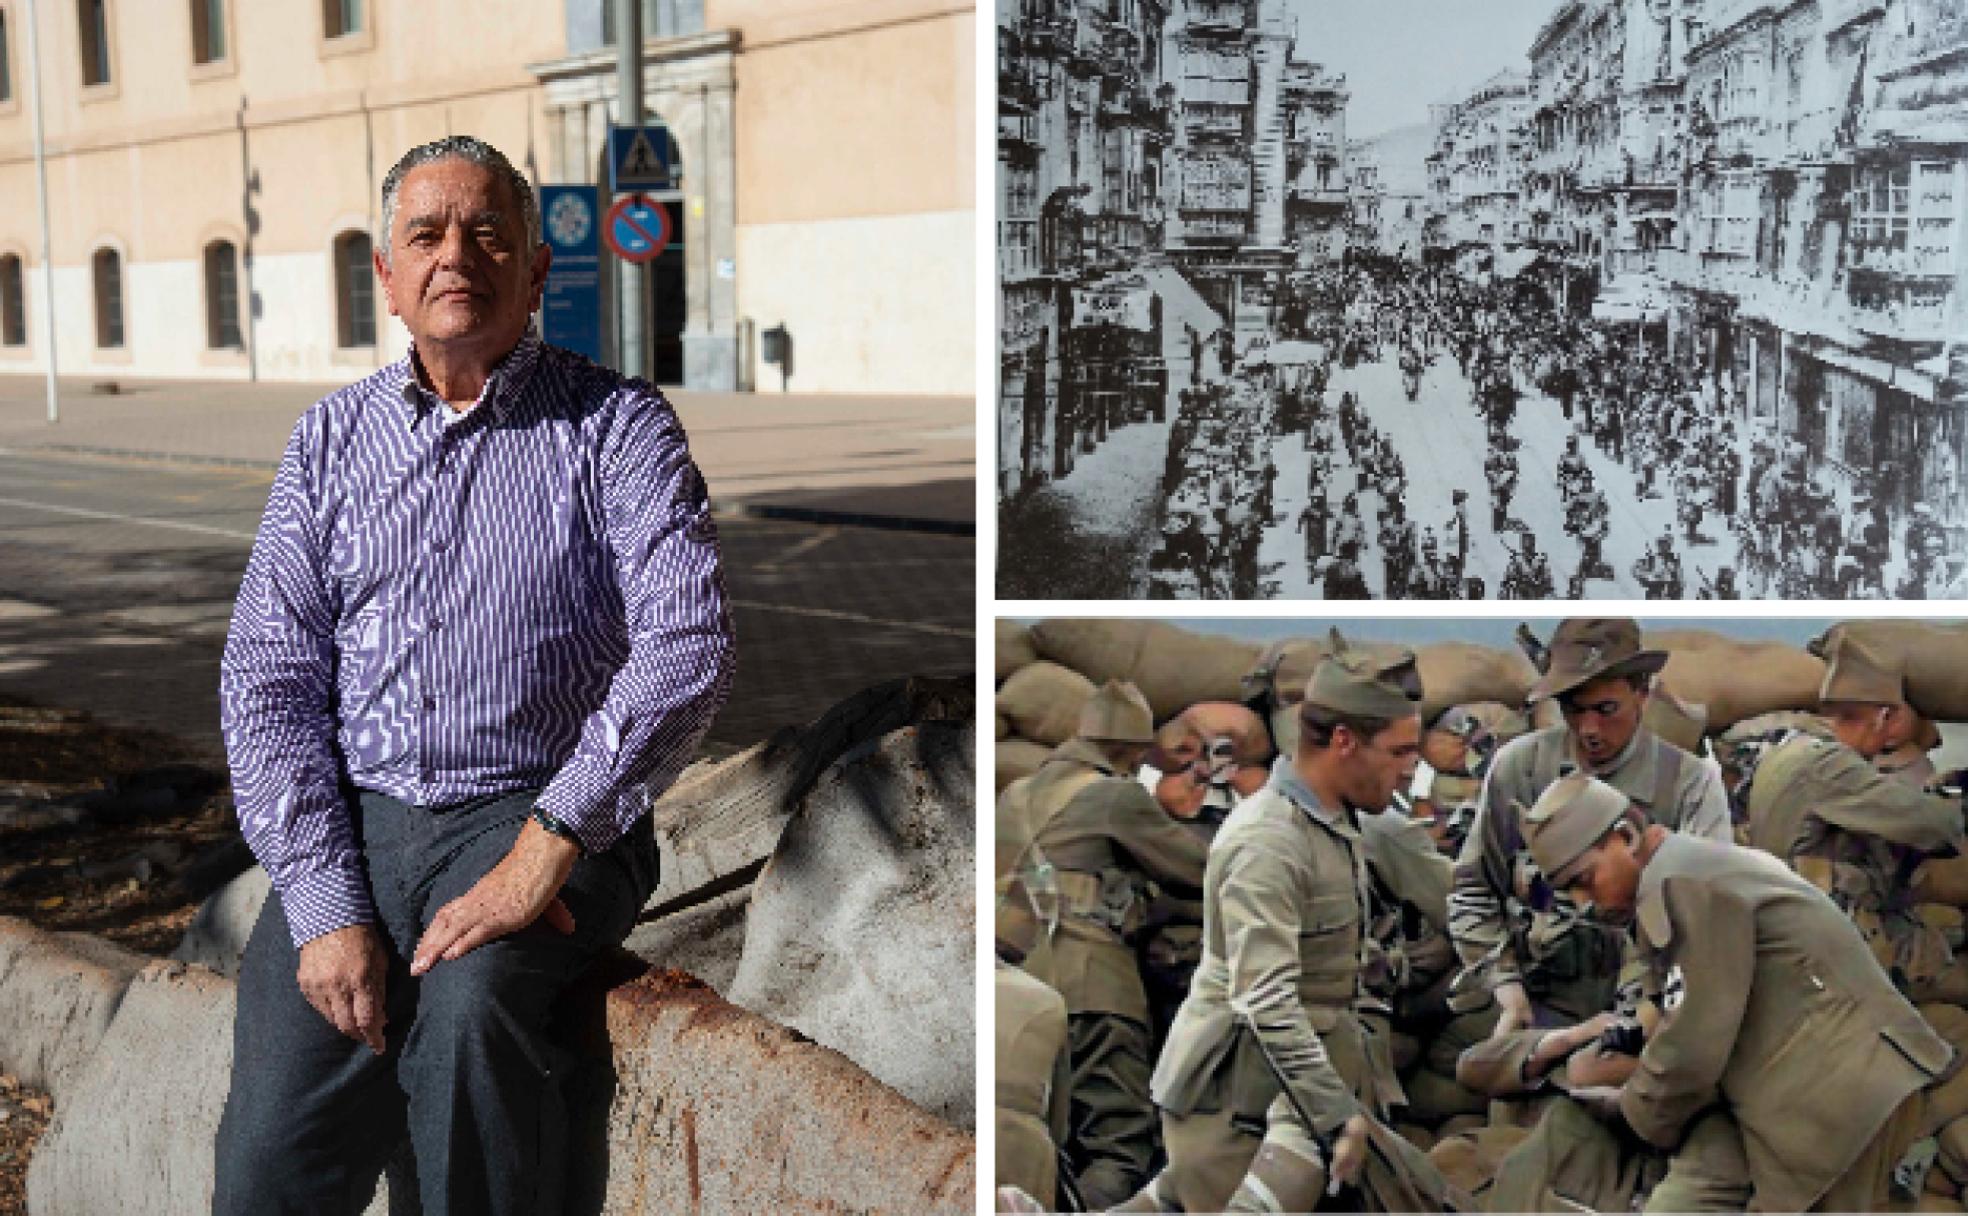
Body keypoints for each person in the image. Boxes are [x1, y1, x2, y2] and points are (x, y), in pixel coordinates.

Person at [213, 136, 735, 1216]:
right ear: (389, 280)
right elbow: (267, 674)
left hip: (541, 810)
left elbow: (687, 645)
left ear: (536, 271)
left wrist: (547, 847)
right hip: (359, 822)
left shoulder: (617, 428)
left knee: (473, 1022)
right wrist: (319, 900)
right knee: (267, 1157)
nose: (460, 255)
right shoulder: (328, 441)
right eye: (428, 234)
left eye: (491, 233)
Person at [1121, 637, 1457, 1214]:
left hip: (1298, 1096)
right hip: (1239, 1110)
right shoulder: (1269, 843)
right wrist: (1337, 1117)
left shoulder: (1336, 823)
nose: (1412, 770)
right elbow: (1265, 999)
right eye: (1400, 752)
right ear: (1344, 742)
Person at [1525, 772, 1956, 1212]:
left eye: (1585, 880)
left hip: (1843, 1096)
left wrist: (1632, 1108)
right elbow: (1672, 1011)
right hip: (1803, 1093)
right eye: (1569, 892)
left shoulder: (1685, 884)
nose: (1584, 904)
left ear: (1625, 837)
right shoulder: (1678, 876)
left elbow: (1693, 1045)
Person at [1448, 618, 1731, 1035]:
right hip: (1539, 1003)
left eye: (1605, 709)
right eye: (1573, 710)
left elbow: (1710, 916)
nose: (1588, 729)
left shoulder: (1688, 784)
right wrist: (1506, 987)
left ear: (1642, 693)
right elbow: (1472, 890)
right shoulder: (1522, 770)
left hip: (1644, 1011)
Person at [997, 680, 1210, 1209]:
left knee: (1043, 1139)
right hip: (1092, 984)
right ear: (1135, 751)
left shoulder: (1017, 792)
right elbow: (1197, 871)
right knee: (1119, 1144)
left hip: (1018, 985)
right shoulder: (1115, 795)